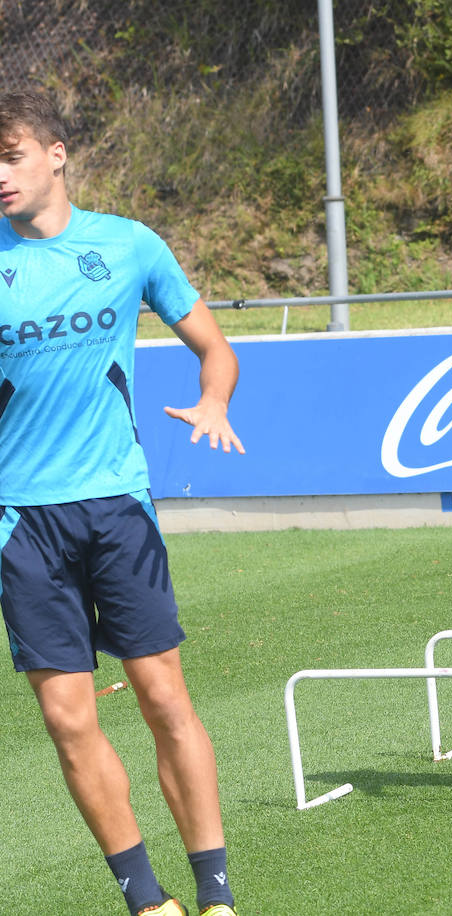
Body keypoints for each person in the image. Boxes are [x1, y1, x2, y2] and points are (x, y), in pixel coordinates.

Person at [0, 89, 243, 916]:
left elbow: (213, 348)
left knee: (164, 696)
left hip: (115, 506)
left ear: (56, 153)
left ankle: (216, 894)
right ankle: (147, 900)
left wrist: (214, 403)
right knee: (69, 721)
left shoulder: (130, 245)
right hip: (18, 520)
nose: (0, 175)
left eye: (12, 155)